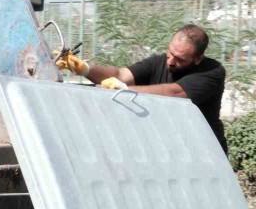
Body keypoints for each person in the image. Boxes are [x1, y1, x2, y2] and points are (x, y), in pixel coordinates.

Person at [57, 24, 228, 153]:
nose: (170, 61)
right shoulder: (158, 62)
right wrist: (83, 68)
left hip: (206, 151)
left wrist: (125, 90)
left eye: (180, 59)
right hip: (172, 150)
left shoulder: (212, 72)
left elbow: (175, 92)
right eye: (170, 52)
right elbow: (120, 75)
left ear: (198, 58)